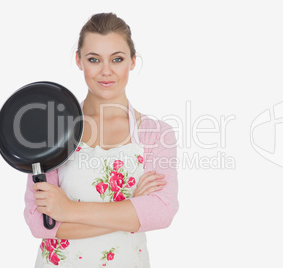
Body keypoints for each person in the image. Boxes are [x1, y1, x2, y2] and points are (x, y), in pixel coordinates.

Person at [24, 12, 179, 267]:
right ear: (79, 60)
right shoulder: (51, 130)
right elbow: (39, 222)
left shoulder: (156, 134)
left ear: (132, 61)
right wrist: (130, 208)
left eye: (117, 59)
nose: (106, 72)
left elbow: (161, 212)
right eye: (94, 59)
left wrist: (69, 210)